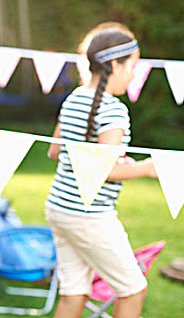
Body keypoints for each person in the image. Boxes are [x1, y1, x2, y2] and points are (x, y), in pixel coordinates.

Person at [45, 23, 158, 318]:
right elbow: (104, 171)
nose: (134, 74)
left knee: (74, 294)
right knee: (133, 290)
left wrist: (112, 163)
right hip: (89, 216)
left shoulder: (73, 99)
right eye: (132, 65)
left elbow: (54, 151)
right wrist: (146, 168)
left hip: (59, 208)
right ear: (116, 65)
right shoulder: (114, 110)